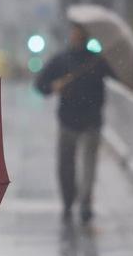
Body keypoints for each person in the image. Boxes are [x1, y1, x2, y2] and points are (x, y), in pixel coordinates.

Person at [33, 22, 116, 224]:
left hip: (90, 121)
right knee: (66, 166)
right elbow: (40, 85)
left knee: (87, 165)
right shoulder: (62, 60)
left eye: (80, 33)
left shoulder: (97, 60)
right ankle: (69, 200)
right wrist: (53, 86)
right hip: (68, 120)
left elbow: (117, 75)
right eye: (75, 33)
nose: (77, 36)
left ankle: (85, 203)